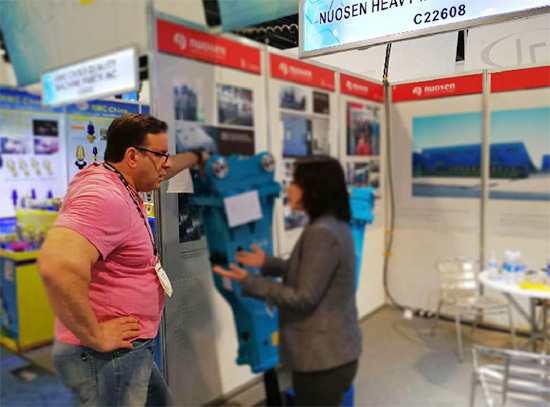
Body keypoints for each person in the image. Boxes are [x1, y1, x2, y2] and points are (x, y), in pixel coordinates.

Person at [38, 113, 208, 406]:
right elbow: (57, 266)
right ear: (132, 156)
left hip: (130, 348)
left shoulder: (118, 180)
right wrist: (95, 335)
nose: (167, 164)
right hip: (110, 354)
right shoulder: (105, 196)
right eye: (161, 155)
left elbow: (163, 167)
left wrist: (197, 157)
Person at [214, 156, 362, 407]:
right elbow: (315, 272)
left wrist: (250, 281)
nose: (288, 188)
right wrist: (267, 263)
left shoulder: (321, 232)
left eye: (295, 182)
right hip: (333, 353)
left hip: (323, 359)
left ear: (314, 189)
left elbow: (304, 297)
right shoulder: (333, 224)